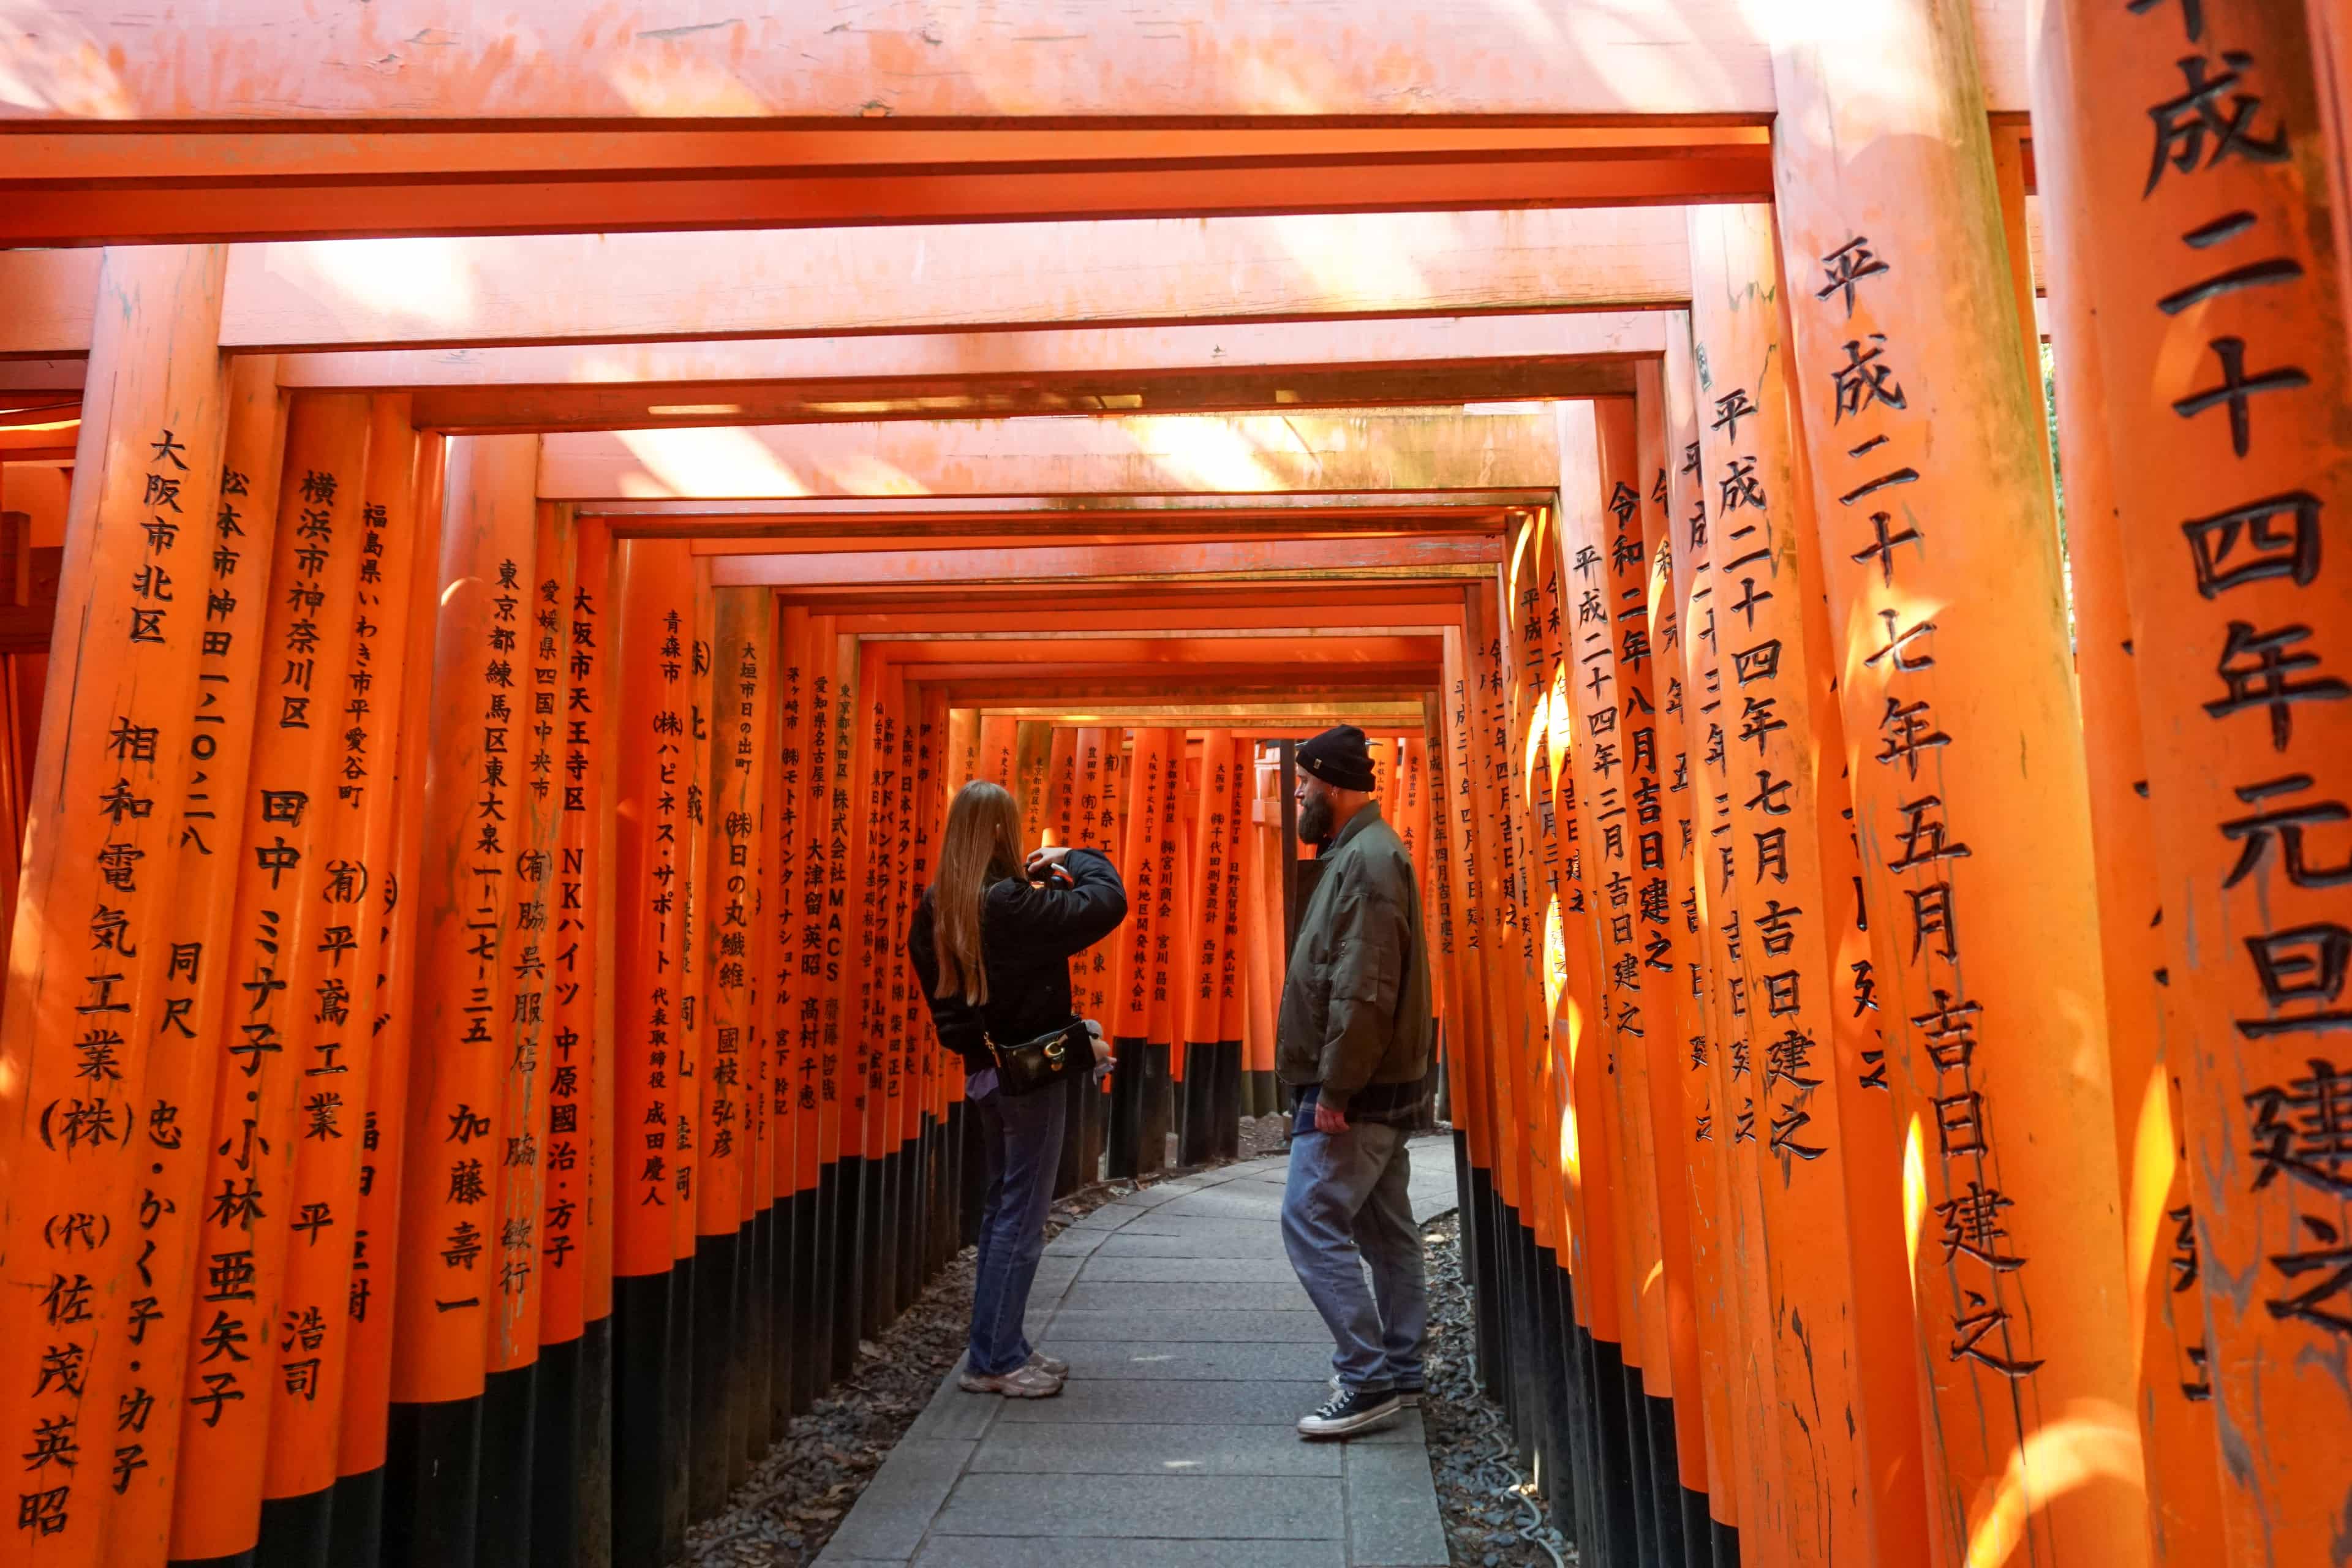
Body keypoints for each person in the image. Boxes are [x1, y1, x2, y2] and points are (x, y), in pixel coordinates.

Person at [910, 780, 1125, 1398]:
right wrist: (1073, 857)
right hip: (1028, 1077)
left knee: (1003, 1205)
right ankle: (996, 1360)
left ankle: (999, 1345)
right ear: (1002, 830)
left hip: (985, 1074)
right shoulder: (1004, 903)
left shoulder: (937, 904)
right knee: (1022, 1217)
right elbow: (1106, 902)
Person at [1276, 725, 1434, 1439]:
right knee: (1385, 1227)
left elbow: (1363, 987)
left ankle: (1368, 1378)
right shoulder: (1361, 851)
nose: (1301, 798)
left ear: (1332, 787)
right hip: (1381, 1081)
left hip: (1356, 1089)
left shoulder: (1366, 861)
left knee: (1310, 1218)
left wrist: (1334, 1090)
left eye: (1306, 786)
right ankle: (1399, 1368)